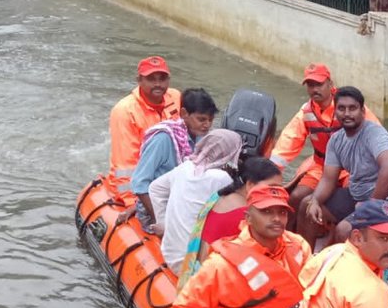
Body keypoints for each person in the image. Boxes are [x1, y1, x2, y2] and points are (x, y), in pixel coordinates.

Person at [173, 184, 311, 308]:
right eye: (266, 212)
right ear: (248, 217)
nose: (276, 218)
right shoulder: (221, 264)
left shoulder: (298, 245)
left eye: (282, 212)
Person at [302, 87, 388, 245]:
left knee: (344, 230)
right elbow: (328, 179)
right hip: (357, 196)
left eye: (352, 108)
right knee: (306, 205)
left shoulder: (375, 134)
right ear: (335, 111)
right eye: (341, 108)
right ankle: (307, 261)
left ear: (362, 111)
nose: (346, 114)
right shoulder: (336, 140)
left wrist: (370, 206)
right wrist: (315, 201)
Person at [268, 63, 377, 216]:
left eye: (319, 84)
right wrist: (268, 174)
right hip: (321, 166)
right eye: (310, 85)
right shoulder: (306, 112)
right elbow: (288, 141)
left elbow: (376, 137)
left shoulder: (349, 106)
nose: (314, 89)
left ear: (330, 84)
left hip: (351, 168)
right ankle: (291, 238)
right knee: (296, 197)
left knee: (351, 198)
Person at [176, 156, 284, 288]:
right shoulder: (246, 215)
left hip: (202, 271)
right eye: (272, 188)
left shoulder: (220, 197)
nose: (276, 194)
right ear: (250, 185)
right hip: (215, 281)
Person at [121, 88, 219, 229]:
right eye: (202, 119)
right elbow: (139, 184)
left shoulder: (199, 137)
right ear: (184, 114)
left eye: (210, 120)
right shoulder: (163, 139)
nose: (207, 125)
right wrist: (160, 220)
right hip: (155, 210)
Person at [149, 129, 242, 273]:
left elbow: (155, 189)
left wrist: (164, 224)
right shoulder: (221, 178)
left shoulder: (186, 167)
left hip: (169, 254)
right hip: (191, 264)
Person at [107, 56, 182, 198]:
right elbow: (125, 165)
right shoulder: (125, 111)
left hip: (169, 177)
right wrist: (131, 201)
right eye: (151, 79)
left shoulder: (176, 97)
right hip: (143, 180)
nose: (158, 84)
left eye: (162, 78)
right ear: (139, 80)